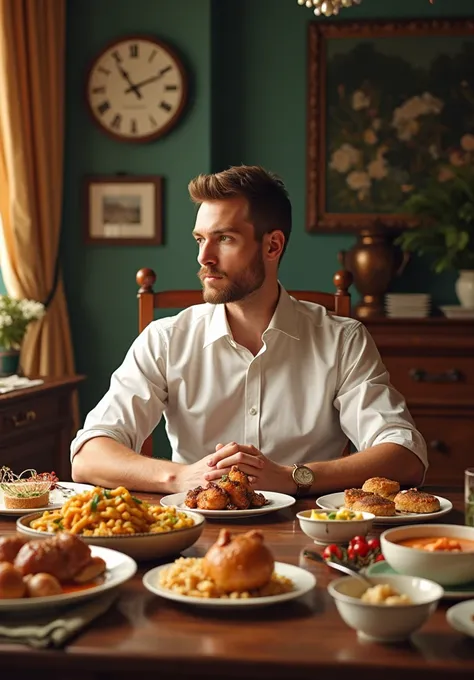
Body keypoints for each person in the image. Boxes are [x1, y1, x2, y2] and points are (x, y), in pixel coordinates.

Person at [71, 165, 427, 496]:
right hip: (194, 533)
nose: (204, 257)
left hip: (306, 534)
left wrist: (294, 476)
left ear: (272, 245)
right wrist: (179, 477)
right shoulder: (164, 340)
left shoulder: (341, 340)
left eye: (224, 238)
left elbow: (405, 454)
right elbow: (89, 455)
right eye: (200, 239)